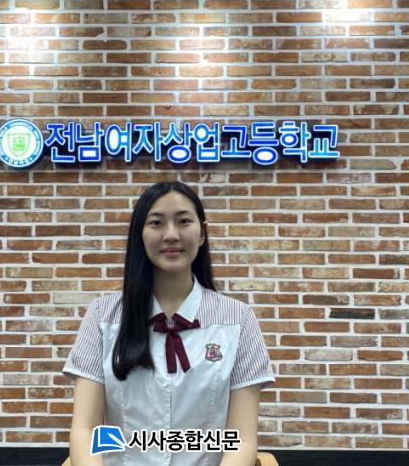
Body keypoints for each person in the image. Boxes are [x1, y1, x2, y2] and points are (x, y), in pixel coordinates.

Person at [63, 180, 274, 466]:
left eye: (184, 221)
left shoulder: (238, 320)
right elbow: (84, 431)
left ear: (202, 233)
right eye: (156, 223)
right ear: (140, 234)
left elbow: (242, 440)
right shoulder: (103, 316)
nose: (171, 235)